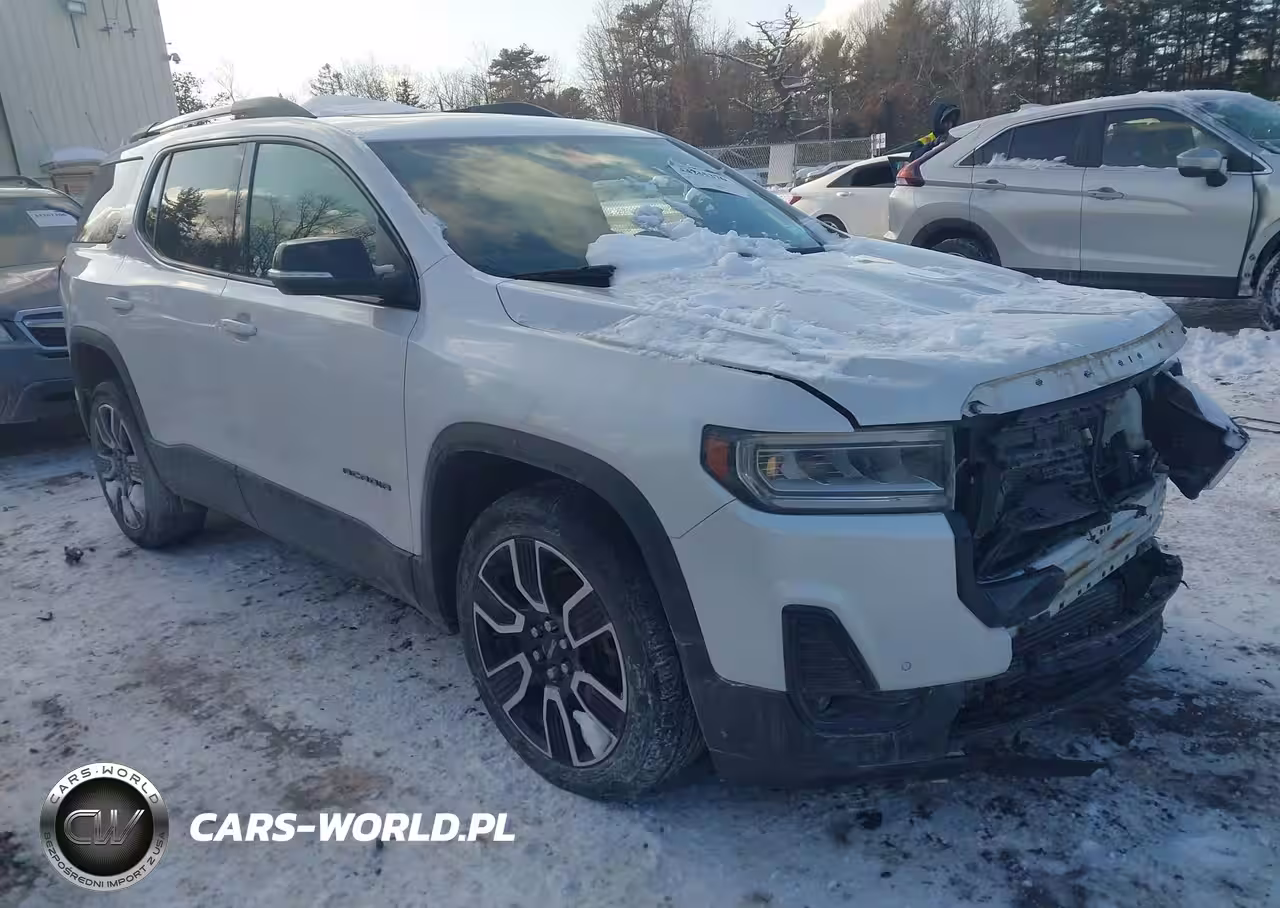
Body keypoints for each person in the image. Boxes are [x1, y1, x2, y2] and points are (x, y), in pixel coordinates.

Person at [887, 100, 962, 160]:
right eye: (946, 122)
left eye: (952, 121)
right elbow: (913, 156)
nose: (949, 125)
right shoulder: (930, 139)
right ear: (939, 122)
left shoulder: (956, 138)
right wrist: (933, 144)